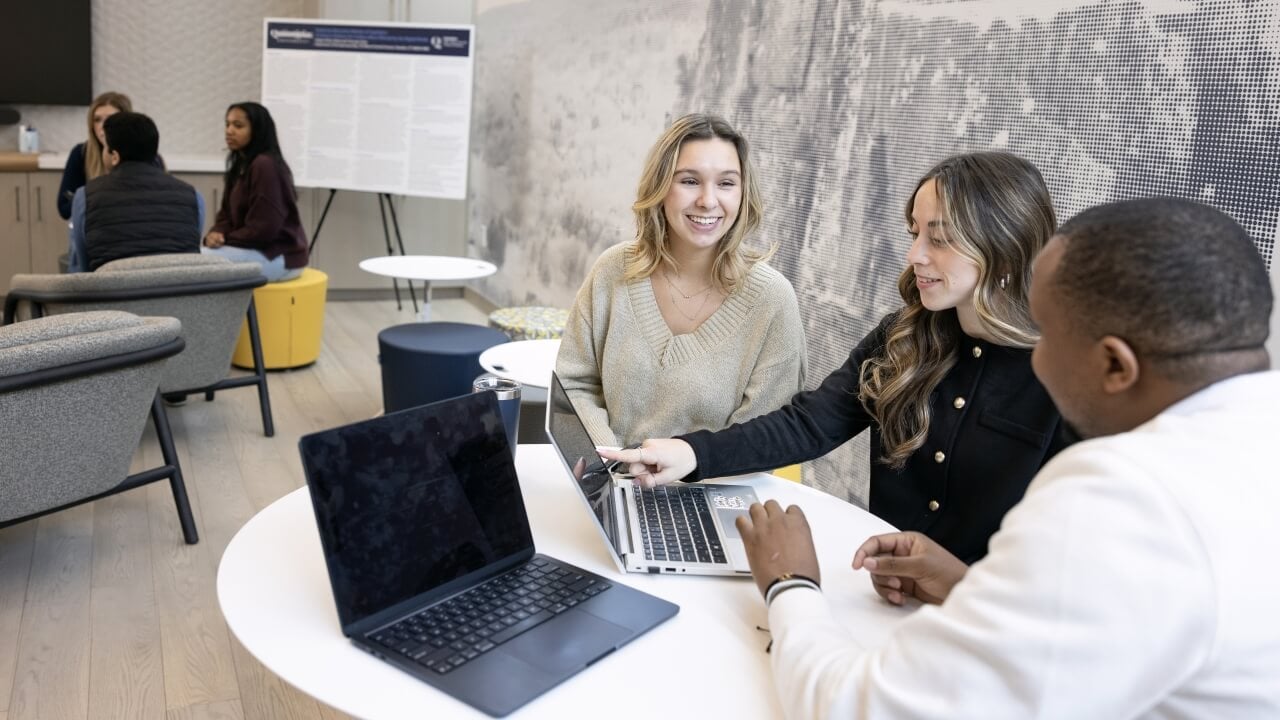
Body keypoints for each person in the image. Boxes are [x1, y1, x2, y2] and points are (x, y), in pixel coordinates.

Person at [737, 197, 1278, 717]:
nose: (1035, 360)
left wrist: (791, 583)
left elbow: (866, 710)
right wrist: (966, 585)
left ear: (1116, 366)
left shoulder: (1123, 499)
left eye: (1046, 338)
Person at [604, 152, 1064, 563]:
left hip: (981, 628)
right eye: (915, 233)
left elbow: (1065, 555)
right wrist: (690, 453)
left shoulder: (1064, 379)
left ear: (1004, 252)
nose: (914, 256)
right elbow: (810, 423)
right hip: (882, 592)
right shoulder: (902, 337)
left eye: (938, 239)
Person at [556, 113, 806, 447]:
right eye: (689, 181)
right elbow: (574, 385)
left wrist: (682, 468)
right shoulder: (613, 270)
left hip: (713, 490)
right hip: (612, 481)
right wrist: (611, 465)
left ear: (743, 194)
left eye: (726, 183)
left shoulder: (773, 300)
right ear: (660, 188)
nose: (708, 200)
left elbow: (763, 437)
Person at [67, 112, 203, 272]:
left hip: (112, 295)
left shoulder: (85, 197)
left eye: (105, 146)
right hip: (177, 295)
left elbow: (84, 269)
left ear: (115, 156)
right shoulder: (193, 196)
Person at [202, 101, 308, 281]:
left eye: (238, 125)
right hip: (252, 249)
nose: (229, 131)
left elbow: (264, 229)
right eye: (227, 124)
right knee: (194, 259)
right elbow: (225, 215)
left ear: (257, 130)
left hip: (278, 256)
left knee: (196, 263)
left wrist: (225, 238)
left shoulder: (265, 165)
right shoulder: (240, 165)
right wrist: (215, 234)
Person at [57, 91, 156, 220]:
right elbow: (64, 208)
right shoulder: (81, 153)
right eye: (97, 120)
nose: (103, 127)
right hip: (92, 225)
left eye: (110, 119)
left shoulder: (144, 153)